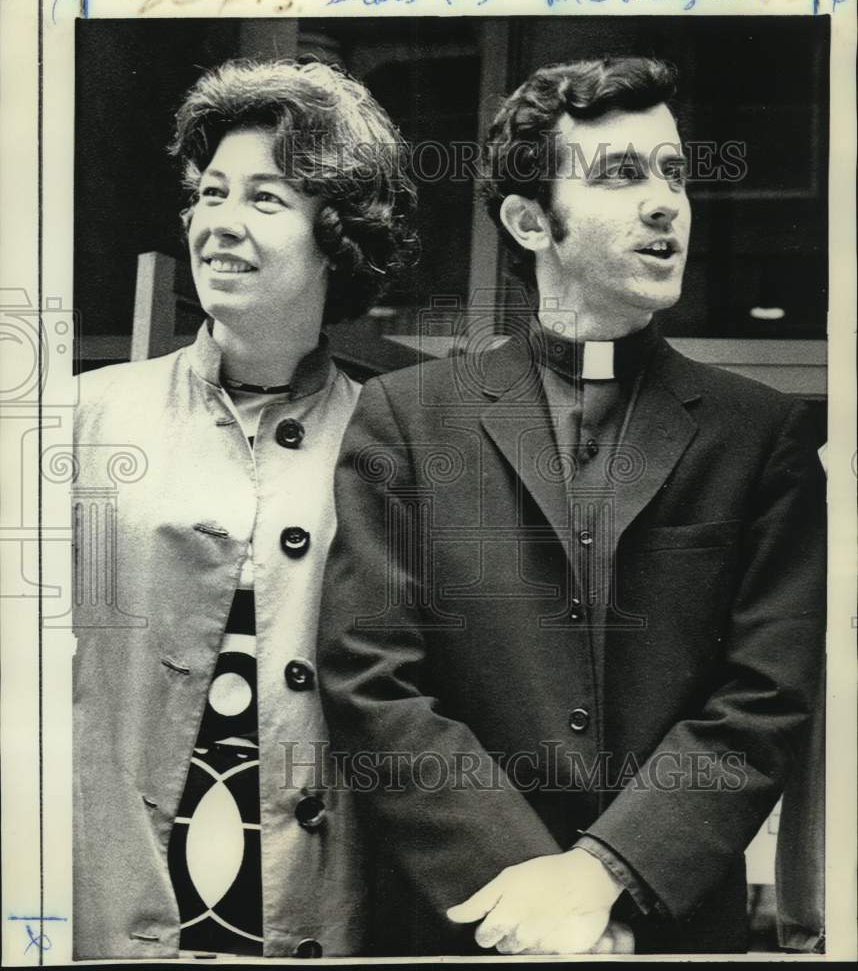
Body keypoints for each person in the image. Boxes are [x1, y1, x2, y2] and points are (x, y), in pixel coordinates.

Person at [317, 57, 826, 955]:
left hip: (667, 929)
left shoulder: (761, 436)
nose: (667, 201)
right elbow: (370, 676)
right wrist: (534, 897)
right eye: (623, 174)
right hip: (464, 925)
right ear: (527, 220)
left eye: (673, 171)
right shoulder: (406, 417)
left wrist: (606, 875)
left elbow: (764, 696)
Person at [71, 59, 415, 959]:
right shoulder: (82, 415)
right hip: (109, 898)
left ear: (335, 236)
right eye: (210, 193)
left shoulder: (394, 439)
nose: (220, 222)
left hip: (316, 901)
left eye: (265, 199)